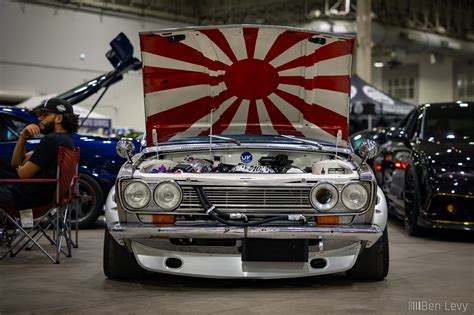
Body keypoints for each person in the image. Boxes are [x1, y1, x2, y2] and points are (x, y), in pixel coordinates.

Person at [0, 98, 79, 209]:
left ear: (59, 118)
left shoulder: (52, 140)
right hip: (43, 197)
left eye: (45, 115)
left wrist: (21, 168)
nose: (39, 118)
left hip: (25, 197)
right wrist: (23, 136)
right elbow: (16, 163)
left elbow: (23, 174)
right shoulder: (66, 140)